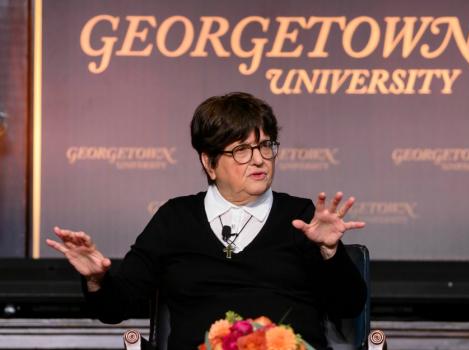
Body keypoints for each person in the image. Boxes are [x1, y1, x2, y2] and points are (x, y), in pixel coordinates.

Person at [46, 92, 367, 350]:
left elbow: (348, 306)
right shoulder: (175, 220)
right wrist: (97, 280)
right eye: (242, 149)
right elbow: (114, 309)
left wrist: (330, 253)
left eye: (266, 146)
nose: (259, 159)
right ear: (209, 162)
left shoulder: (300, 218)